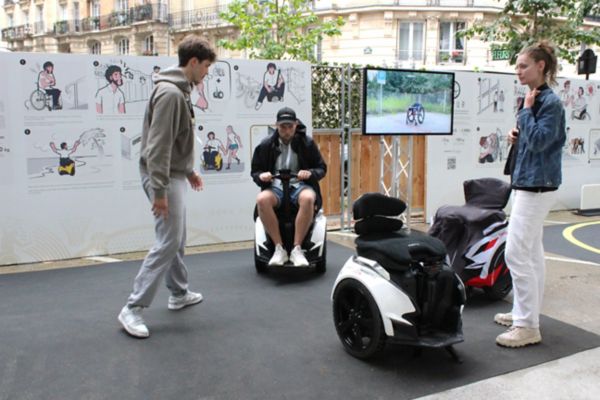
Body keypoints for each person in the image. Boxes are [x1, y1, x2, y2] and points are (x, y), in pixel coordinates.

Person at [118, 35, 216, 338]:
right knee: (168, 241)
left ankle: (178, 292)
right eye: (206, 68)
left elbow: (176, 140)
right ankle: (132, 308)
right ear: (194, 62)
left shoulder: (180, 91)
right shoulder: (172, 94)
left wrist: (187, 171)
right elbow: (157, 147)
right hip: (162, 177)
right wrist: (159, 192)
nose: (207, 74)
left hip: (173, 175)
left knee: (177, 237)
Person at [496, 42, 566, 348]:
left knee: (516, 253)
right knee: (533, 253)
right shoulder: (535, 99)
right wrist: (518, 133)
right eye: (517, 66)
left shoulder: (548, 102)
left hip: (536, 186)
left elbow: (539, 141)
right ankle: (525, 312)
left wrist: (525, 115)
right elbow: (535, 139)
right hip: (531, 182)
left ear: (541, 66)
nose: (518, 71)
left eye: (523, 65)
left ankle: (527, 326)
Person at [251, 107, 327, 267]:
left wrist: (310, 173)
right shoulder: (265, 145)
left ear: (296, 124)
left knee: (308, 198)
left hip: (300, 185)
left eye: (290, 126)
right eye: (283, 126)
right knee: (262, 199)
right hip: (276, 186)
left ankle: (297, 248)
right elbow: (255, 172)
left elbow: (321, 168)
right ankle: (279, 248)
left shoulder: (307, 143)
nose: (286, 130)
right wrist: (261, 176)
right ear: (276, 125)